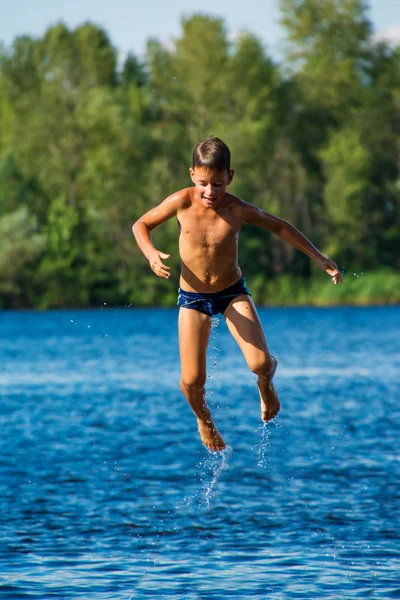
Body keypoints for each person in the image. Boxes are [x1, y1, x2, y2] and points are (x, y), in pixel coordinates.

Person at [132, 137, 343, 452]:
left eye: (217, 184)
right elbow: (141, 224)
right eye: (203, 183)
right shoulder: (181, 202)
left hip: (232, 293)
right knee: (192, 381)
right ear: (192, 175)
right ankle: (204, 420)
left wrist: (318, 257)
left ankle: (266, 384)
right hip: (193, 299)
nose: (210, 192)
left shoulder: (238, 209)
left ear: (230, 177)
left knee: (260, 363)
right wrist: (150, 254)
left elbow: (280, 226)